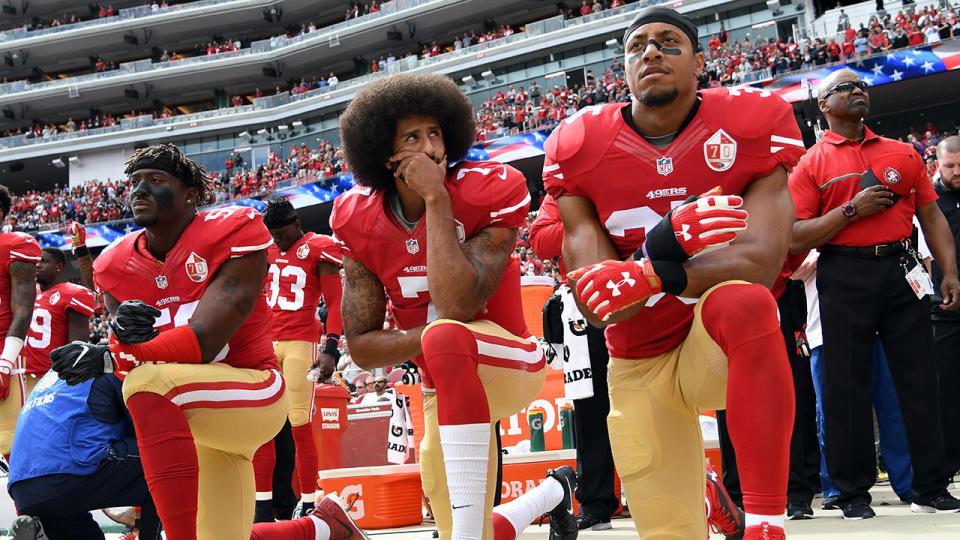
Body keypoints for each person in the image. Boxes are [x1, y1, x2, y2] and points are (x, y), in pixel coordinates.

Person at [544, 7, 805, 539]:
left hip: (720, 346)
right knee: (670, 530)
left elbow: (759, 263)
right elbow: (600, 303)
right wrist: (663, 243)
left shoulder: (752, 122)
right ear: (623, 67)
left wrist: (651, 271)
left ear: (700, 60)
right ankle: (704, 494)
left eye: (668, 42)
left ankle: (763, 523)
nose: (651, 52)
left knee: (746, 301)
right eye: (637, 45)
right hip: (640, 358)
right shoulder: (580, 144)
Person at [332, 72, 577, 540]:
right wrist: (423, 339)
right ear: (386, 155)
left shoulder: (490, 187)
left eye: (435, 133)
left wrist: (436, 197)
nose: (430, 147)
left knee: (445, 333)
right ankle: (552, 494)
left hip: (508, 362)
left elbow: (457, 304)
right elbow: (362, 347)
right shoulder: (355, 217)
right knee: (456, 518)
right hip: (437, 385)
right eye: (411, 137)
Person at [49, 143, 290, 539]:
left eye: (156, 180)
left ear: (190, 194)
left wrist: (112, 355)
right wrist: (123, 342)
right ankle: (321, 527)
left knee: (145, 385)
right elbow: (137, 358)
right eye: (134, 182)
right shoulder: (113, 265)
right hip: (196, 421)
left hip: (253, 390)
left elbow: (205, 341)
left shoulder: (234, 229)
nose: (139, 190)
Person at [788, 69, 960, 519]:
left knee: (921, 380)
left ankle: (930, 487)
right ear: (824, 105)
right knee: (846, 387)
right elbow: (795, 234)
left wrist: (949, 271)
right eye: (846, 87)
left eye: (862, 86)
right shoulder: (810, 163)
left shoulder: (901, 153)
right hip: (844, 273)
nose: (859, 91)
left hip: (903, 271)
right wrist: (851, 209)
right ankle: (851, 493)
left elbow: (931, 216)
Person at [532, 194, 744, 536]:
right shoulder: (572, 185)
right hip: (592, 299)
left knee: (689, 397)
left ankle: (716, 492)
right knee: (592, 406)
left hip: (663, 288)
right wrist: (590, 222)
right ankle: (597, 502)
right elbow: (541, 238)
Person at [254, 197, 344, 521]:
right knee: (263, 425)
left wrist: (330, 349)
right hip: (266, 341)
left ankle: (308, 500)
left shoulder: (318, 246)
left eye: (281, 233)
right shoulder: (266, 250)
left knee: (299, 424)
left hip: (300, 341)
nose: (277, 240)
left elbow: (335, 303)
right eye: (272, 234)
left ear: (296, 224)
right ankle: (262, 503)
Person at [8, 372, 161, 540]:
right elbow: (150, 430)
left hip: (23, 489)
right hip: (69, 476)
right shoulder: (119, 365)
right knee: (165, 457)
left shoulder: (58, 372)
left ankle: (41, 530)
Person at [924, 135, 960, 477]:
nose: (957, 172)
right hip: (943, 311)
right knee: (946, 390)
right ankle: (949, 463)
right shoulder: (928, 203)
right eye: (951, 166)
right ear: (937, 164)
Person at [21, 248, 95, 397]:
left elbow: (77, 346)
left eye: (44, 261)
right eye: (36, 261)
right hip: (22, 375)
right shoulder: (28, 291)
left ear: (59, 267)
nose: (38, 265)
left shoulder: (72, 294)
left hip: (51, 377)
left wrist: (66, 379)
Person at [0, 185, 40, 461]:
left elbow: (23, 310)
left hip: (4, 354)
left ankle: (29, 507)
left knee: (15, 450)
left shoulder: (15, 246)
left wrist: (4, 364)